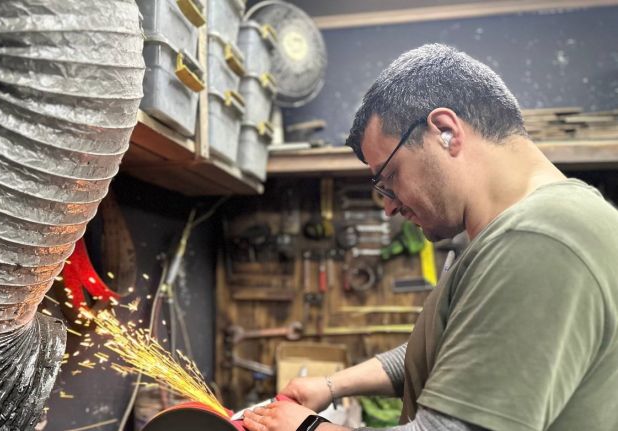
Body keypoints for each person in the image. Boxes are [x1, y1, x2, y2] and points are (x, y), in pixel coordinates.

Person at [243, 43, 618, 431]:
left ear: (444, 131)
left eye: (390, 178)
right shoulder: (504, 233)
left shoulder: (538, 239)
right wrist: (331, 385)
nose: (388, 207)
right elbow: (453, 354)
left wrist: (306, 429)